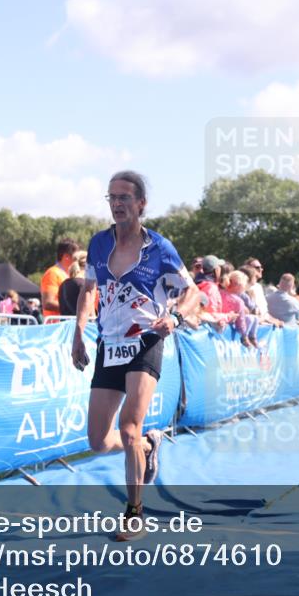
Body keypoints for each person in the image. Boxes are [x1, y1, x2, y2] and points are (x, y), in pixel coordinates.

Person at [71, 170, 199, 541]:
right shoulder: (97, 244)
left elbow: (193, 295)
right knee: (97, 441)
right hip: (108, 345)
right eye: (111, 198)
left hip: (146, 340)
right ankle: (148, 445)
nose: (117, 204)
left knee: (128, 426)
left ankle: (134, 513)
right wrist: (78, 332)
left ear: (141, 204)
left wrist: (174, 317)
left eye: (124, 198)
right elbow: (88, 292)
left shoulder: (160, 248)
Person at [41, 237, 79, 318]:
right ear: (66, 257)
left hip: (67, 325)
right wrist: (74, 309)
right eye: (76, 257)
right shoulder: (52, 273)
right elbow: (48, 303)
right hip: (55, 327)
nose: (77, 260)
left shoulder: (70, 274)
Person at [59, 250, 89, 316]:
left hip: (66, 325)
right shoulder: (85, 284)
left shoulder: (63, 284)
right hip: (84, 325)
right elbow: (89, 312)